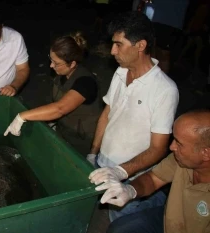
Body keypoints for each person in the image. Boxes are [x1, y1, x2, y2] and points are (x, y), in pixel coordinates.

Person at [87, 11, 179, 222]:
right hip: (103, 162)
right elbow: (108, 113)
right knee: (105, 214)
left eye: (119, 44)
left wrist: (121, 171)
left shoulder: (164, 89)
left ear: (141, 45)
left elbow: (159, 148)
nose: (112, 51)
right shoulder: (120, 72)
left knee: (125, 223)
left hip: (134, 173)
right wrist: (93, 153)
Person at [95, 109, 210, 233]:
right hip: (169, 219)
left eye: (179, 143)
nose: (172, 147)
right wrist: (130, 190)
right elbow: (153, 179)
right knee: (119, 229)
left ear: (206, 153)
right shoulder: (181, 160)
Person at [3, 32, 101, 156]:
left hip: (81, 142)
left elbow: (60, 108)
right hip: (64, 133)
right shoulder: (62, 76)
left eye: (56, 63)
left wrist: (22, 116)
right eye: (51, 60)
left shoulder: (85, 82)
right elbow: (53, 102)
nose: (51, 65)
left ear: (73, 64)